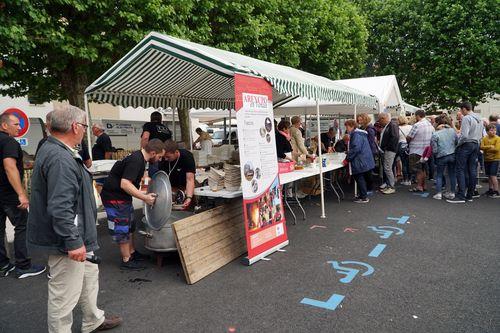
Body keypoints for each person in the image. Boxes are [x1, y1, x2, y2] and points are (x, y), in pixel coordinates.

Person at [27, 105, 122, 332]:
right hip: (67, 240)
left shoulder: (59, 149)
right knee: (64, 295)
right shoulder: (60, 157)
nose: (84, 130)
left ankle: (93, 320)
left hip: (78, 236)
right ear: (75, 127)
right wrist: (72, 241)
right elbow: (60, 207)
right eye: (84, 126)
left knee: (89, 276)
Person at [101, 139, 165, 270]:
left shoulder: (140, 158)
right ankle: (126, 260)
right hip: (115, 197)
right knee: (122, 227)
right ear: (153, 153)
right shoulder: (136, 160)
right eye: (159, 156)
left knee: (130, 226)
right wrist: (145, 198)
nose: (159, 160)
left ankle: (132, 253)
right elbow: (125, 184)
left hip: (122, 196)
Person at [0, 113, 46, 278]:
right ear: (5, 125)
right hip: (9, 194)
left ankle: (3, 265)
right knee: (22, 227)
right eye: (16, 124)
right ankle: (23, 266)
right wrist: (21, 194)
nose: (19, 128)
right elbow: (9, 167)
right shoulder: (9, 142)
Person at [447, 101, 484, 203]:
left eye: (460, 110)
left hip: (466, 145)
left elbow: (464, 135)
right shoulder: (479, 118)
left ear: (464, 109)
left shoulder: (466, 118)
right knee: (472, 170)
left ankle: (461, 196)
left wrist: (458, 144)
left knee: (460, 169)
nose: (460, 112)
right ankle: (470, 195)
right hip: (476, 144)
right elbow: (482, 134)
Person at [345, 119, 375, 203]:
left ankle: (363, 197)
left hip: (359, 160)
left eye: (347, 126)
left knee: (359, 177)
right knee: (361, 177)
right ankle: (362, 195)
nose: (346, 128)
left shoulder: (355, 135)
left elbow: (356, 148)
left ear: (351, 126)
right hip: (365, 159)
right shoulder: (361, 133)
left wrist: (347, 158)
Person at [159, 140, 196, 208]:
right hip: (170, 188)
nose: (166, 159)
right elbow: (161, 178)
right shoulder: (163, 159)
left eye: (168, 157)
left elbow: (190, 179)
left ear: (176, 152)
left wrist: (189, 197)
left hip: (185, 188)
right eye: (164, 156)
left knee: (187, 209)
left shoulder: (187, 157)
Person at [430, 114, 458, 200]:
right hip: (452, 154)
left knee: (439, 175)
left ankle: (439, 194)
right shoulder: (453, 131)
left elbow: (434, 149)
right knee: (452, 174)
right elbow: (456, 142)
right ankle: (452, 192)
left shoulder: (435, 134)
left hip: (441, 156)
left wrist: (436, 155)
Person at [407, 109, 434, 192]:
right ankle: (424, 185)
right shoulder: (430, 125)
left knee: (418, 170)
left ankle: (419, 186)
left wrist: (407, 140)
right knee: (423, 169)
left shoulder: (417, 125)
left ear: (418, 116)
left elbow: (409, 137)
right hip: (426, 151)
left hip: (416, 150)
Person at [378, 113, 399, 194]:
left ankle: (391, 186)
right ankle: (389, 185)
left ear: (383, 118)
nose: (379, 122)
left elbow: (394, 137)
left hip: (390, 150)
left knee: (387, 168)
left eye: (380, 120)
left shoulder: (392, 125)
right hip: (389, 149)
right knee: (388, 168)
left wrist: (387, 147)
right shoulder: (390, 125)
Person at [480, 124, 500, 198]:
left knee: (493, 175)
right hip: (486, 159)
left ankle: (496, 191)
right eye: (491, 130)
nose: (494, 132)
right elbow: (481, 147)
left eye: (495, 130)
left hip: (495, 159)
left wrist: (487, 148)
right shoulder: (484, 138)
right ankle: (490, 189)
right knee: (489, 175)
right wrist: (490, 146)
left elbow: (497, 149)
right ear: (487, 131)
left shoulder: (497, 138)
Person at [397, 116, 412, 185]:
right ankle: (410, 179)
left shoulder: (398, 128)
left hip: (401, 146)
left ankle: (406, 179)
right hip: (410, 145)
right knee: (409, 163)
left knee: (404, 163)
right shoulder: (411, 127)